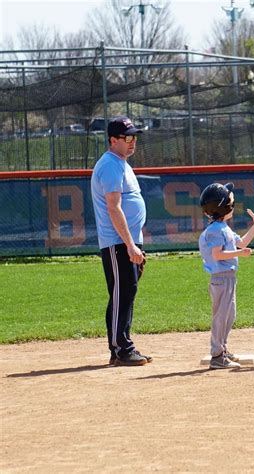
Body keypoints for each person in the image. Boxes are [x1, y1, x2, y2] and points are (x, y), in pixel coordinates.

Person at [91, 116, 152, 366]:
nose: (132, 142)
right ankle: (120, 349)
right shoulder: (110, 165)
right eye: (127, 137)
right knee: (121, 293)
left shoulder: (122, 164)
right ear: (112, 140)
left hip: (127, 242)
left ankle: (124, 345)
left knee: (127, 292)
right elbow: (114, 208)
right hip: (117, 243)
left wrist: (137, 242)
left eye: (134, 137)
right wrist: (129, 245)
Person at [198, 182, 254, 369]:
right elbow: (218, 254)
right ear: (224, 206)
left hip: (228, 278)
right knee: (221, 316)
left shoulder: (223, 227)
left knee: (229, 315)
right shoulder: (216, 230)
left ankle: (223, 350)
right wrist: (240, 254)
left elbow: (240, 243)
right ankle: (217, 355)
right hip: (221, 279)